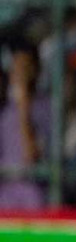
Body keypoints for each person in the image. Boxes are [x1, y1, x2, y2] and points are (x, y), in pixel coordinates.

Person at [0, 46, 49, 210]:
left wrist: (23, 109)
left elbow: (31, 155)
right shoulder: (7, 111)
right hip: (5, 192)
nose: (19, 73)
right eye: (16, 68)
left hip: (31, 193)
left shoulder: (46, 108)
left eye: (24, 68)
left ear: (35, 70)